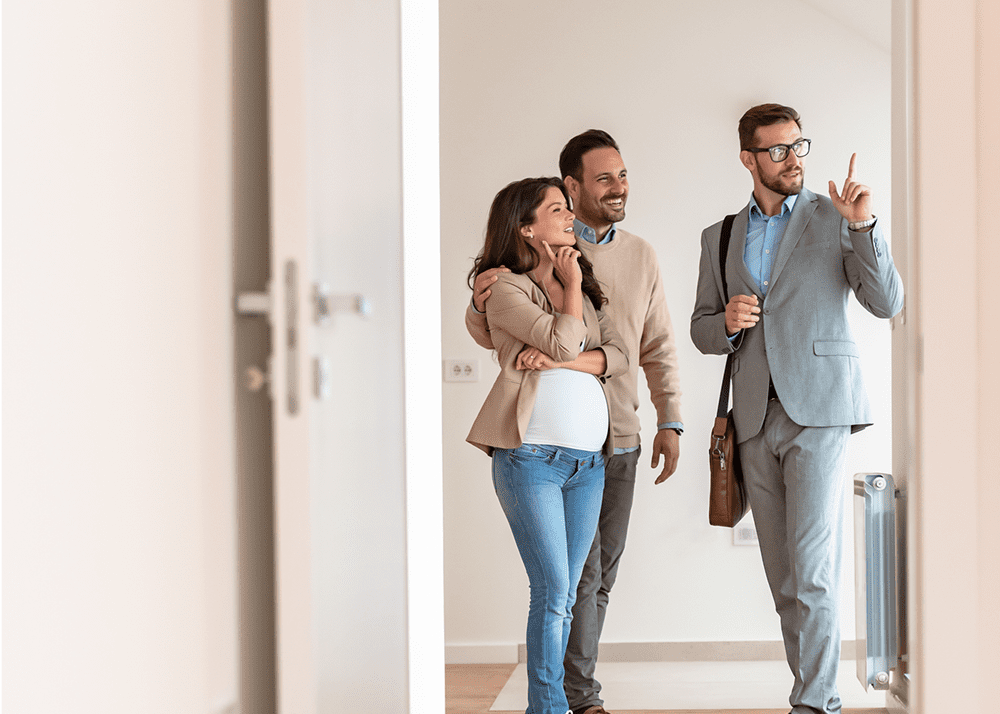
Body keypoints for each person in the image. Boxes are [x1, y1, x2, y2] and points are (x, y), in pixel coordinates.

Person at [691, 103, 904, 714]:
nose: (794, 159)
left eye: (799, 146)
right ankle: (812, 693)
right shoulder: (720, 236)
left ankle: (815, 703)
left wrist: (863, 226)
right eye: (778, 150)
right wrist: (726, 322)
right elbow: (701, 327)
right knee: (784, 577)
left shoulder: (833, 217)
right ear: (748, 158)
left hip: (819, 409)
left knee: (812, 569)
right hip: (753, 417)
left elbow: (886, 302)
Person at [467, 131, 683, 714]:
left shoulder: (621, 264)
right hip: (535, 455)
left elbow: (628, 351)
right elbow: (518, 332)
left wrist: (670, 417)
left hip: (605, 447)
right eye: (602, 178)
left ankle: (572, 693)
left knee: (591, 579)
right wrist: (501, 306)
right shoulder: (514, 281)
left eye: (623, 174)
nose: (618, 187)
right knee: (560, 586)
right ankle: (562, 702)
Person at [466, 177, 628, 714]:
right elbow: (565, 338)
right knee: (554, 592)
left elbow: (617, 355)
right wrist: (570, 294)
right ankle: (548, 708)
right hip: (531, 459)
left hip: (588, 464)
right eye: (557, 209)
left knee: (569, 593)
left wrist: (564, 351)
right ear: (526, 228)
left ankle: (549, 704)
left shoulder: (581, 285)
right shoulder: (504, 289)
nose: (569, 216)